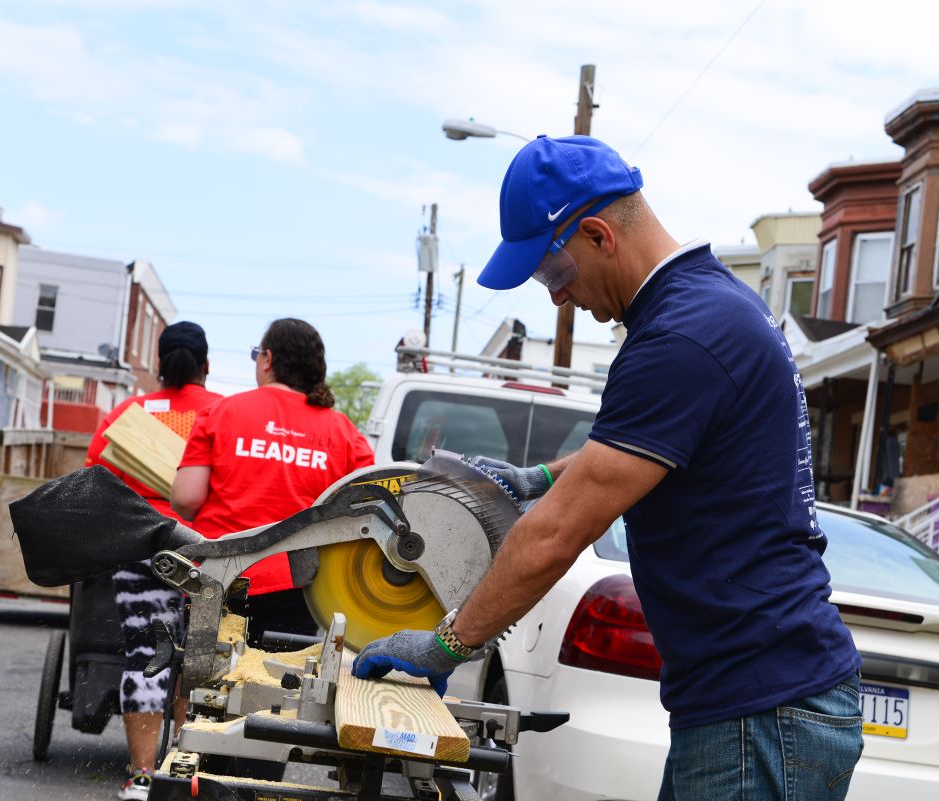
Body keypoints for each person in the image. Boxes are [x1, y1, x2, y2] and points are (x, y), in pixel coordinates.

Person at [353, 136, 864, 800]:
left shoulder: (683, 335)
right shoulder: (700, 310)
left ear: (597, 234)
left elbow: (554, 536)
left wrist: (447, 645)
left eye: (553, 276)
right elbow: (624, 459)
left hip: (759, 709)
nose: (558, 301)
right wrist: (536, 478)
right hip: (749, 700)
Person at [171, 317, 375, 644]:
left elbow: (186, 499)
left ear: (267, 359)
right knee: (279, 685)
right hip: (298, 585)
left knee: (198, 676)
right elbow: (361, 517)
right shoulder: (346, 434)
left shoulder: (221, 412)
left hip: (219, 574)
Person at [84, 321, 222, 801]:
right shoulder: (222, 413)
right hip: (203, 549)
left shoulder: (129, 413)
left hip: (139, 546)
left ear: (160, 363)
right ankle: (184, 775)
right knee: (199, 661)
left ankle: (141, 777)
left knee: (147, 654)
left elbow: (94, 480)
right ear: (206, 365)